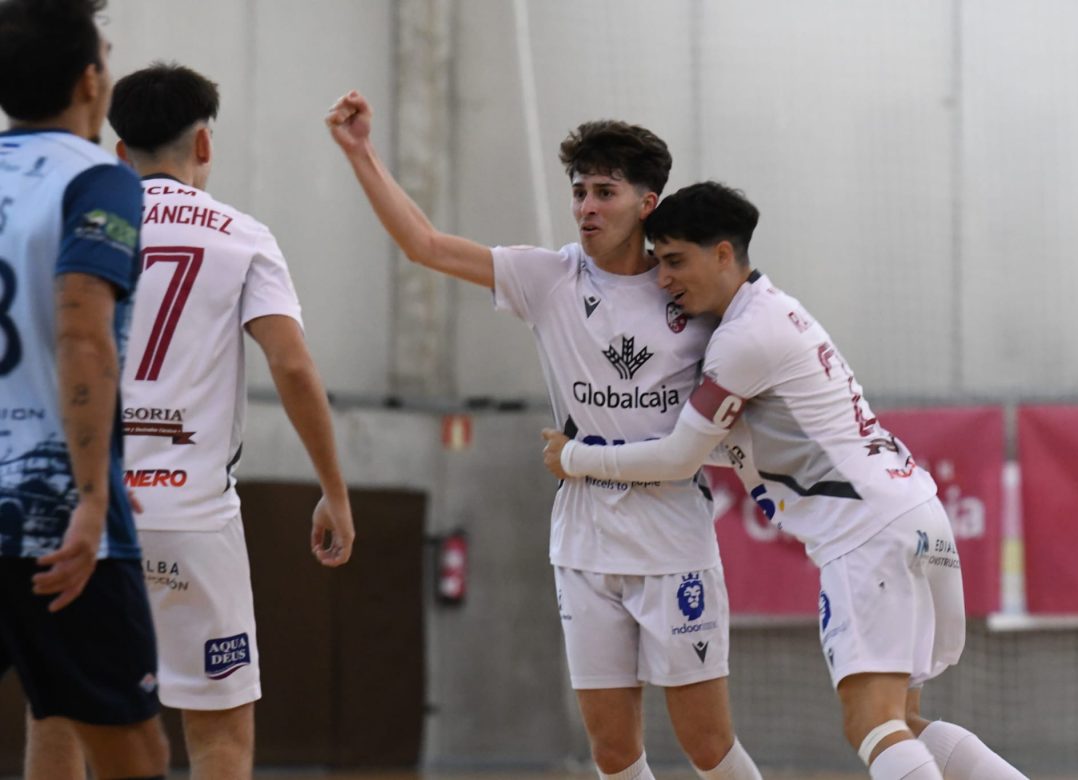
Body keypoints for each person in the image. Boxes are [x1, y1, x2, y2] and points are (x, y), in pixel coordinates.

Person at [326, 92, 761, 780]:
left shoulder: (688, 287)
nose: (586, 207)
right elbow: (424, 244)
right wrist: (360, 152)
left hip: (674, 542)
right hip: (585, 544)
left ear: (647, 204)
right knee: (612, 752)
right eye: (579, 192)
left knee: (707, 745)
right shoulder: (549, 277)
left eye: (605, 193)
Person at [542, 182, 1029, 780]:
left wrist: (577, 457)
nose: (663, 279)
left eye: (675, 261)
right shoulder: (774, 312)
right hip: (917, 516)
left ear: (723, 254)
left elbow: (678, 459)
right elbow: (728, 449)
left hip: (867, 535)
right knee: (904, 718)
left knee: (873, 724)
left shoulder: (741, 340)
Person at [25, 63, 357, 779]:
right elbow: (293, 367)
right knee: (218, 733)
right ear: (204, 144)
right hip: (193, 518)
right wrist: (333, 488)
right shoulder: (244, 236)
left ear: (120, 153)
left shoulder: (77, 226)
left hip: (86, 510)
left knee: (59, 717)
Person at [0, 1, 171, 778]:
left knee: (55, 716)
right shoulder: (98, 178)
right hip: (53, 517)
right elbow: (80, 331)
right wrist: (93, 496)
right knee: (129, 749)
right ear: (90, 80)